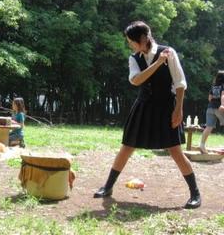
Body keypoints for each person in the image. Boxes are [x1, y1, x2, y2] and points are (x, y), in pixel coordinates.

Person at [93, 21, 201, 209]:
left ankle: (195, 194)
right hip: (143, 106)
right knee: (127, 147)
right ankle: (108, 186)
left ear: (142, 39)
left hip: (167, 106)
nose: (130, 45)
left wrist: (179, 109)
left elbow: (180, 83)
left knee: (175, 151)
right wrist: (158, 64)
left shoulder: (169, 52)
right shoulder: (134, 58)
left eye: (131, 41)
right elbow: (136, 80)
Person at [199, 70, 224, 153]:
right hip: (219, 108)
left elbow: (209, 98)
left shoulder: (213, 86)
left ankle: (202, 145)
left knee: (209, 127)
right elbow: (223, 96)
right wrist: (222, 105)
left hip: (210, 108)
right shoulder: (223, 86)